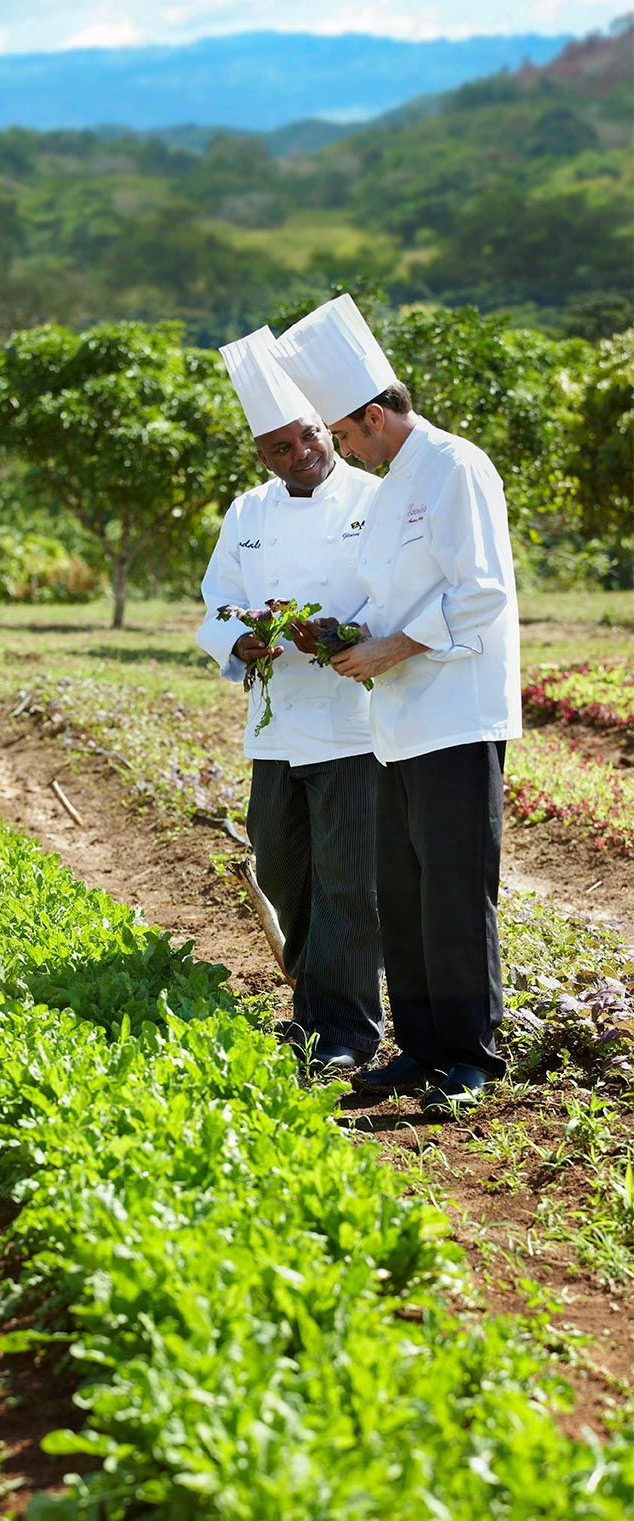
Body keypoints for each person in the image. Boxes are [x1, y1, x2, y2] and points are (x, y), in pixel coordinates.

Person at [271, 294, 521, 1116]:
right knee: (405, 892)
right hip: (398, 723)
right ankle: (418, 1049)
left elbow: (480, 593)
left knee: (454, 889)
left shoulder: (456, 466)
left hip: (456, 713)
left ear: (374, 416)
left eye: (341, 434)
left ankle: (472, 1055)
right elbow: (393, 601)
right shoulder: (388, 490)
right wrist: (341, 637)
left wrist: (390, 648)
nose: (338, 448)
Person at [196, 325, 383, 1072]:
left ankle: (345, 1032)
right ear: (262, 457)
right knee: (279, 868)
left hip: (354, 725)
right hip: (275, 732)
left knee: (348, 881)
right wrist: (240, 640)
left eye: (308, 436)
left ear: (325, 427)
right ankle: (317, 1009)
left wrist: (341, 636)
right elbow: (216, 603)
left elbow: (394, 601)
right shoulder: (247, 514)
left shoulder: (377, 498)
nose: (300, 453)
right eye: (280, 447)